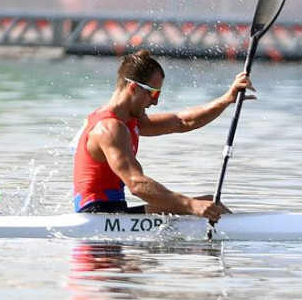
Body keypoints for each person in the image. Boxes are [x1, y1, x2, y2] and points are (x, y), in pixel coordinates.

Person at [72, 50, 255, 221]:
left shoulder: (129, 120)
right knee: (205, 207)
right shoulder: (109, 128)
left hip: (114, 212)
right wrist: (191, 205)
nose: (156, 101)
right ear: (134, 88)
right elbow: (136, 184)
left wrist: (226, 99)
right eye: (153, 93)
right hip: (98, 216)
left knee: (210, 203)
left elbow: (182, 122)